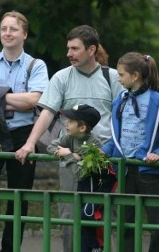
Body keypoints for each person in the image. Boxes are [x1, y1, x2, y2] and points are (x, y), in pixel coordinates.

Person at [15, 25, 123, 252]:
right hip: (70, 159)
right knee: (70, 214)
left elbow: (122, 117)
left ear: (91, 49)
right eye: (68, 48)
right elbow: (47, 112)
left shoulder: (112, 77)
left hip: (104, 158)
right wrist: (30, 142)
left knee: (105, 215)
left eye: (75, 48)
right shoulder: (62, 77)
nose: (69, 53)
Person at [0, 11, 49, 251]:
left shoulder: (36, 65)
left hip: (24, 134)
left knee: (19, 198)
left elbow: (35, 100)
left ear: (24, 34)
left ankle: (9, 249)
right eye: (4, 28)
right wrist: (17, 98)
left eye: (13, 29)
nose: (7, 33)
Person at [101, 52, 159, 251]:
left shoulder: (156, 100)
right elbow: (118, 136)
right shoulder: (120, 100)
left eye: (121, 74)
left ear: (135, 76)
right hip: (125, 170)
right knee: (125, 225)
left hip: (149, 170)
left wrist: (158, 152)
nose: (118, 78)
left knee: (156, 224)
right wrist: (104, 150)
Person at [47, 104, 114, 252]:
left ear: (82, 128)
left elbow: (81, 174)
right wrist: (69, 153)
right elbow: (51, 146)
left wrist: (69, 155)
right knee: (68, 229)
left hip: (88, 199)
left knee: (86, 235)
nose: (66, 123)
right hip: (72, 194)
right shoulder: (69, 138)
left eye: (70, 121)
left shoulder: (94, 145)